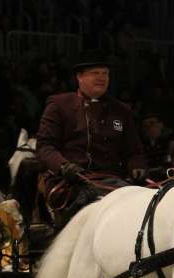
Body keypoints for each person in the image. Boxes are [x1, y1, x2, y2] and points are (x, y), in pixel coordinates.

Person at [36, 50, 146, 227]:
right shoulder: (59, 104)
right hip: (71, 180)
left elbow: (134, 150)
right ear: (79, 77)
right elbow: (45, 147)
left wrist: (137, 166)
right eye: (95, 73)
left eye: (105, 74)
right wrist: (64, 166)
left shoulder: (121, 110)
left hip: (112, 180)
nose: (101, 78)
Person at [139, 111, 174, 181]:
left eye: (152, 123)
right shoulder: (142, 148)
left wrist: (149, 172)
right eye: (145, 126)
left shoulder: (173, 146)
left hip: (169, 185)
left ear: (161, 124)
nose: (149, 128)